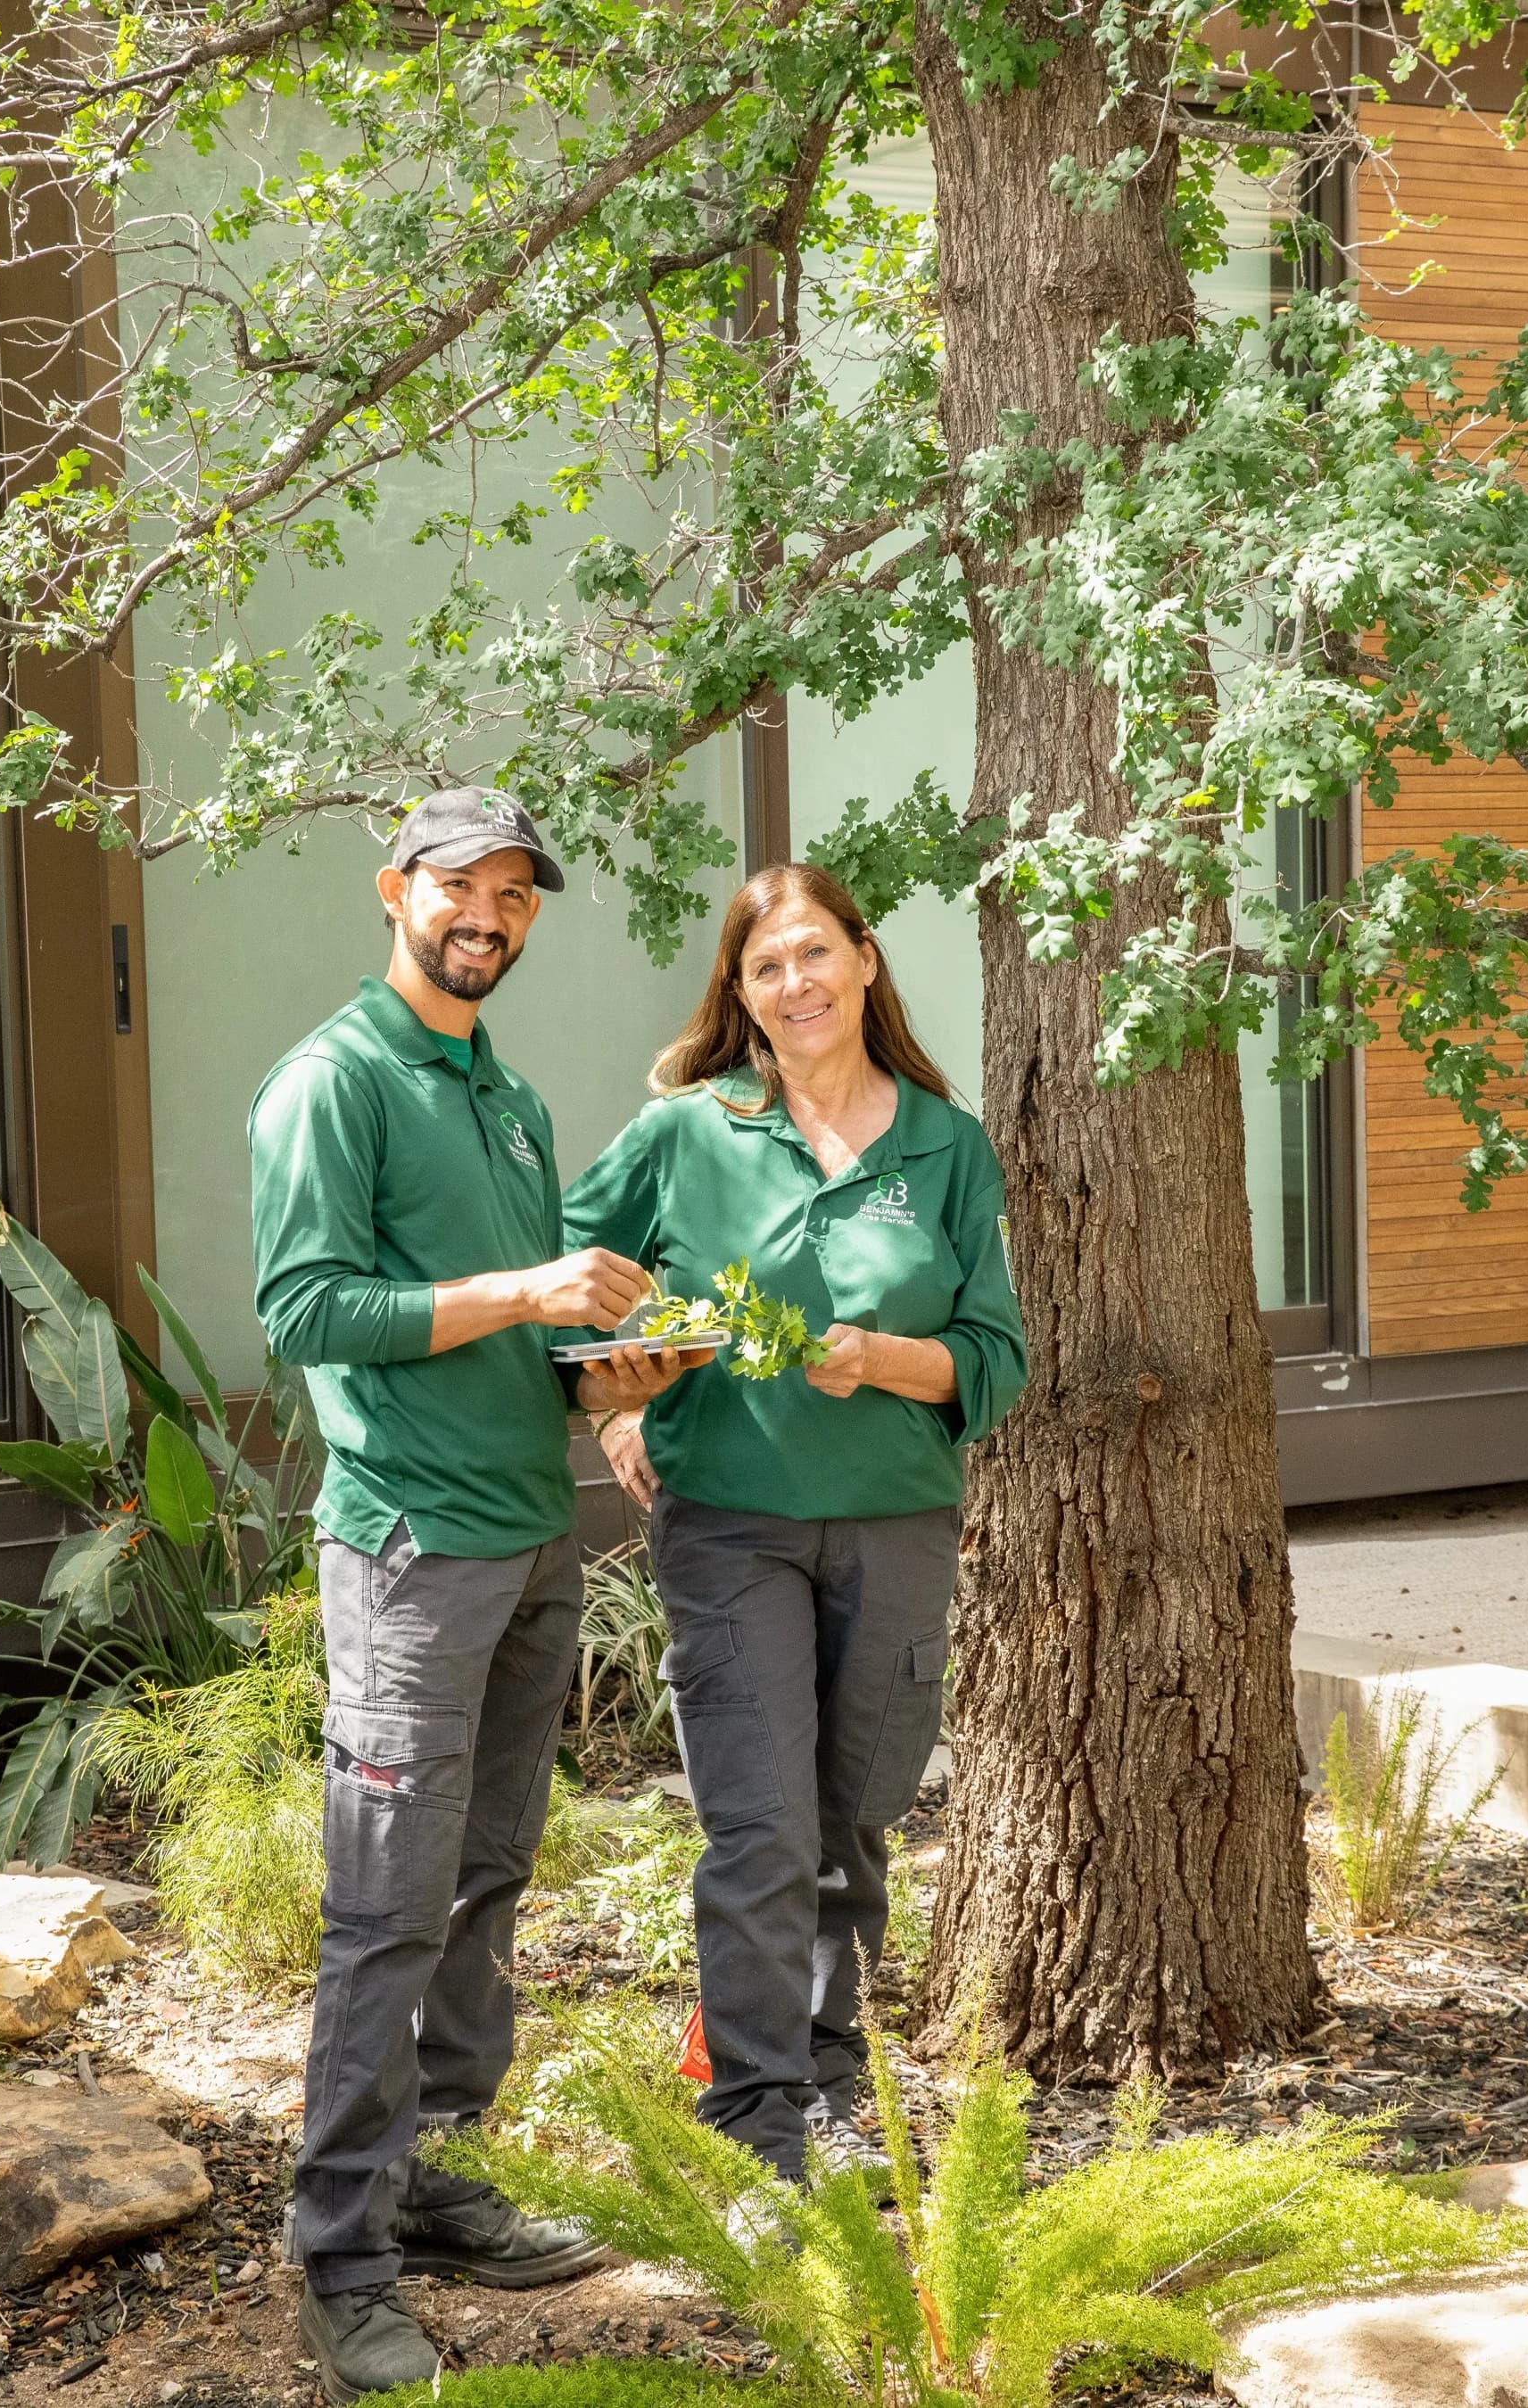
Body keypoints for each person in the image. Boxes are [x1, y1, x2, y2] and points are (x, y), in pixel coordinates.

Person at [250, 788, 709, 2404]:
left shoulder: (504, 1098)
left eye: (518, 896)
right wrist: (526, 1285)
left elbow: (509, 1342)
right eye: (466, 887)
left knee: (484, 1882)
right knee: (385, 1908)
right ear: (398, 891)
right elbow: (306, 1307)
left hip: (528, 1539)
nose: (492, 917)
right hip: (408, 1556)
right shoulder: (336, 1082)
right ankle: (342, 2260)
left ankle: (434, 2178)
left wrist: (614, 1377)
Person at [562, 862, 1027, 2202]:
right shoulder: (683, 1134)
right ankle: (757, 2121)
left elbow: (994, 1359)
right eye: (766, 967)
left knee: (855, 1820)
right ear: (741, 996)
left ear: (867, 963)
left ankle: (830, 2075)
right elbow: (574, 1300)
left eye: (816, 953)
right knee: (762, 1829)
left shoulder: (945, 1144)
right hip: (731, 1528)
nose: (795, 983)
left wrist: (880, 1356)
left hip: (896, 1529)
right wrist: (614, 1408)